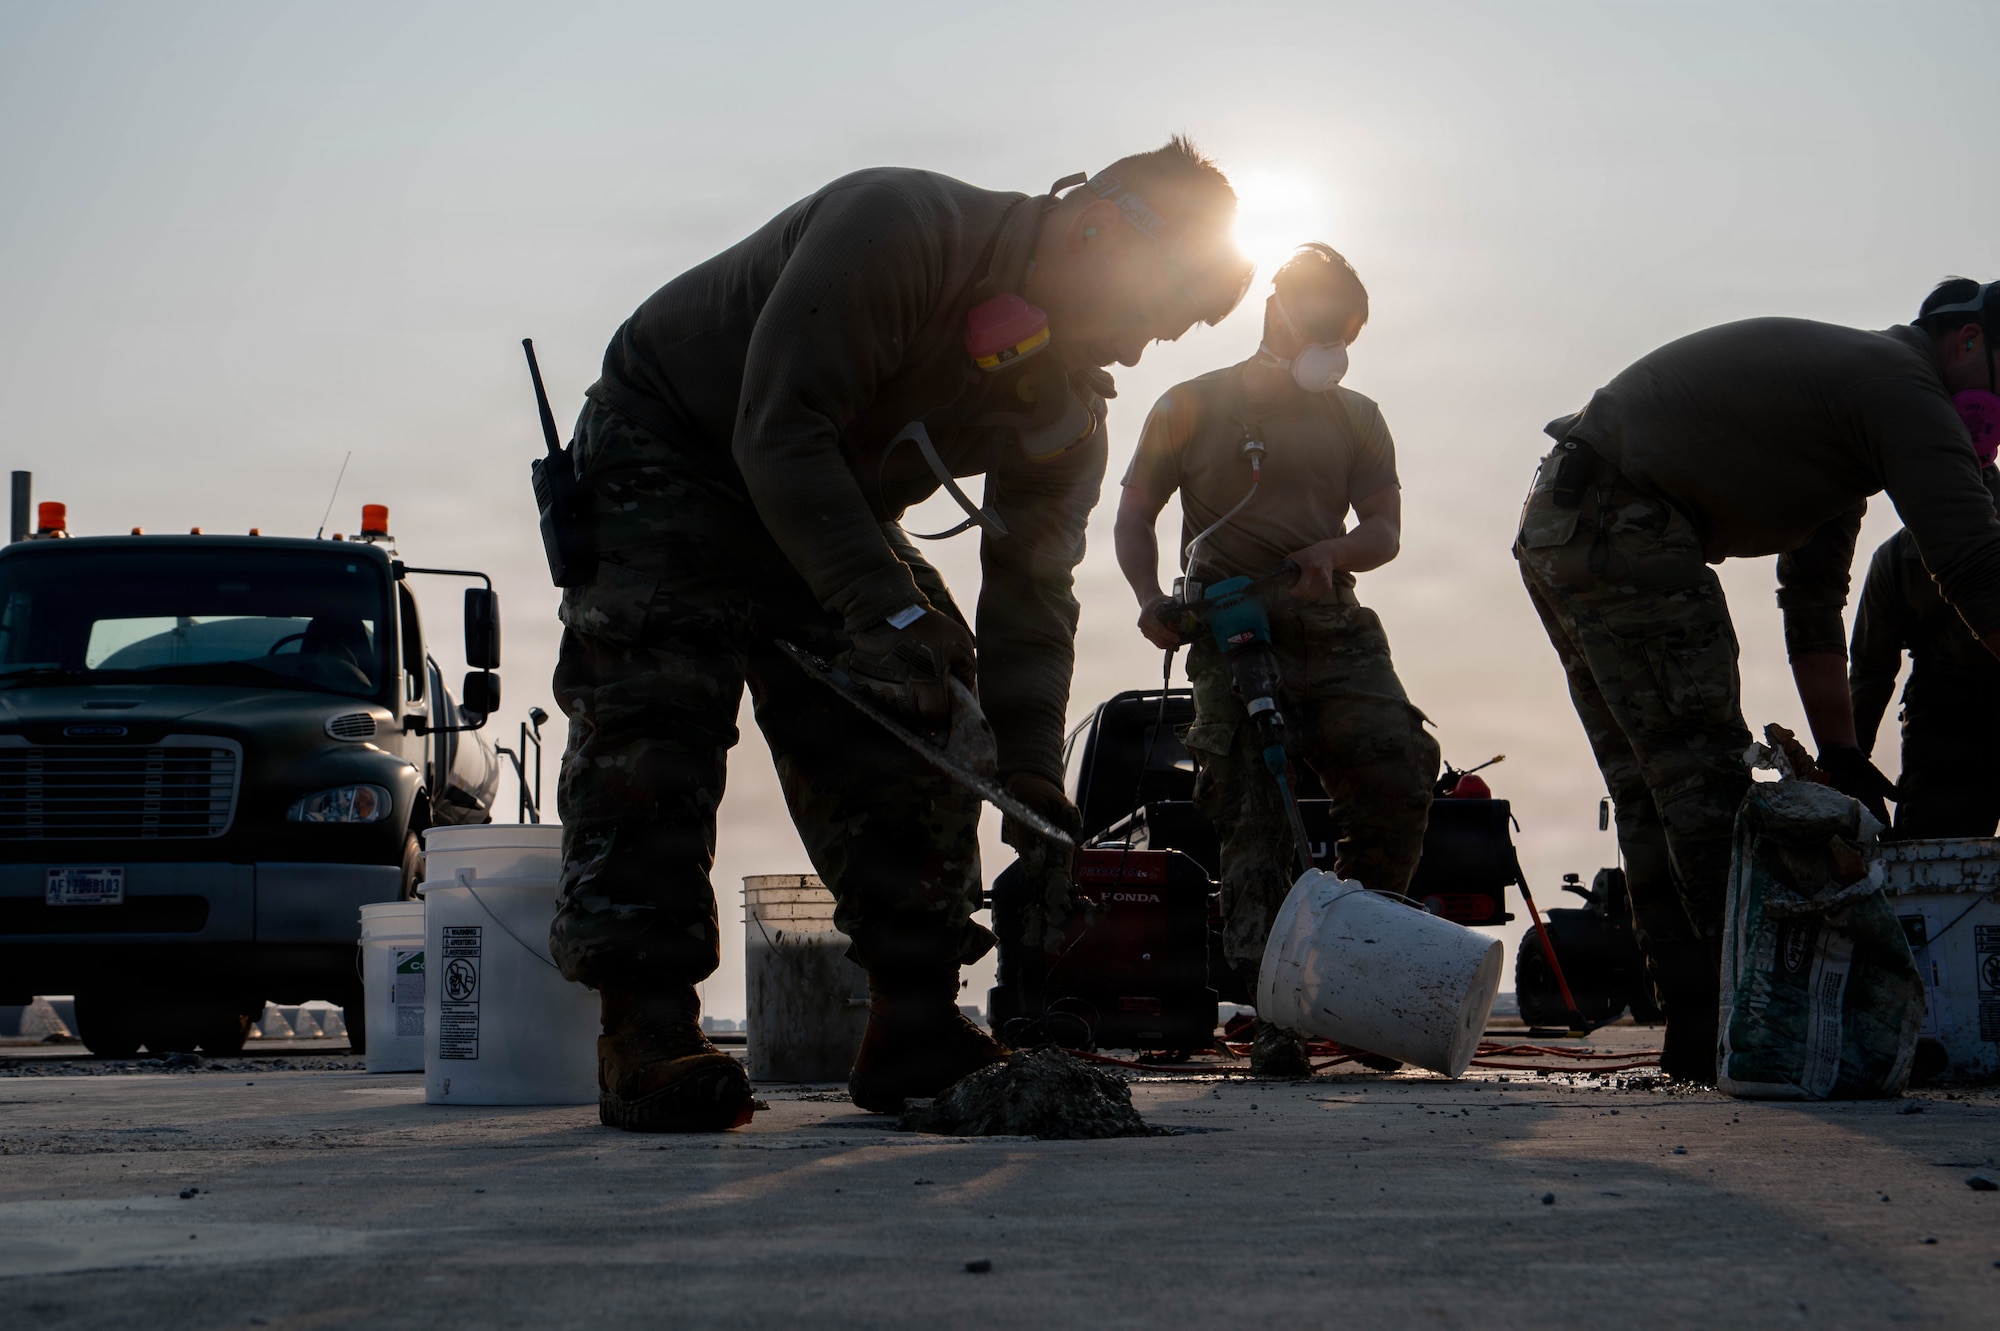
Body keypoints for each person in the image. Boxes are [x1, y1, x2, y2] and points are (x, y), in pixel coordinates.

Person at [547, 140, 1254, 1132]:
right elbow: (778, 427)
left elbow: (1032, 600)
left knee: (926, 706)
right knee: (655, 717)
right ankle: (646, 1028)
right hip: (680, 445)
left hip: (827, 494)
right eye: (1143, 318)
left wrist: (1029, 768)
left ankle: (913, 1019)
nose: (1133, 354)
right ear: (1097, 228)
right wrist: (889, 612)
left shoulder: (1061, 412)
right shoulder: (899, 229)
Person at [1515, 277, 2000, 1083]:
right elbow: (1979, 567)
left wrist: (1842, 753)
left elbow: (1811, 606)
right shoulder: (1901, 387)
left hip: (1573, 519)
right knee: (1706, 785)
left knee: (1653, 786)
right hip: (1626, 521)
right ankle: (1749, 1031)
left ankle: (1700, 1032)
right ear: (1968, 342)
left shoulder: (1853, 417)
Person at [1113, 244, 1439, 1078]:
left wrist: (1336, 549)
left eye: (1350, 333)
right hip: (1233, 631)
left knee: (1398, 772)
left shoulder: (1358, 414)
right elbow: (1137, 513)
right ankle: (1276, 1016)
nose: (1337, 345)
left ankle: (1358, 986)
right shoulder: (1189, 405)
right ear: (1280, 312)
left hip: (1334, 628)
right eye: (1328, 326)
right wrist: (1151, 596)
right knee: (1252, 816)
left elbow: (1385, 531)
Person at [1850, 411, 2000, 838]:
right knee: (1932, 875)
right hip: (1943, 736)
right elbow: (1870, 676)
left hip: (1943, 737)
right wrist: (1849, 766)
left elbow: (1869, 678)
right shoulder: (1894, 561)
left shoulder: (1896, 557)